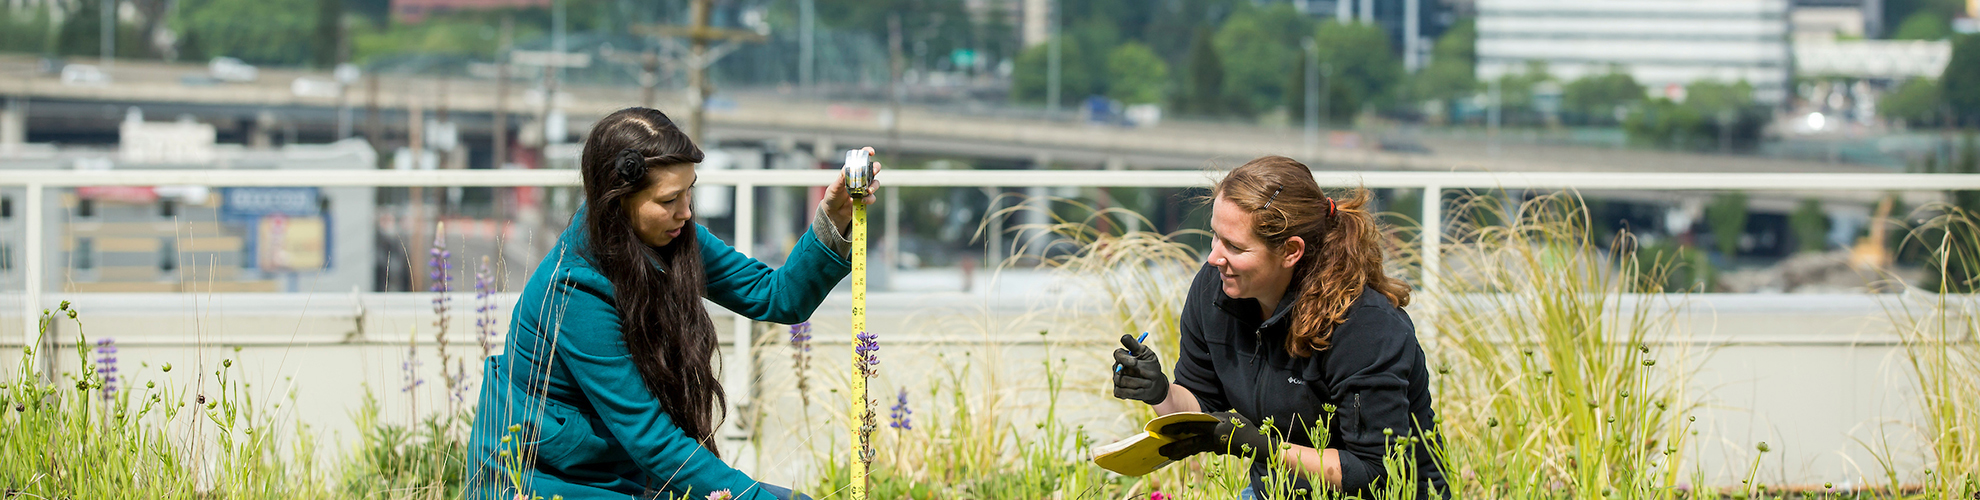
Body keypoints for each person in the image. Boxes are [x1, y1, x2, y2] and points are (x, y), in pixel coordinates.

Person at [466, 107, 878, 500]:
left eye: (689, 193)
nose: (685, 212)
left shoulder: (676, 237)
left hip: (617, 469)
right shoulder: (574, 292)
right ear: (618, 199)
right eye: (668, 201)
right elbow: (652, 440)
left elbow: (777, 297)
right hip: (538, 480)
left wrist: (833, 217)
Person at [1110, 156, 1446, 499]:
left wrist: (1262, 447)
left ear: (1290, 251)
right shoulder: (1215, 291)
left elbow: (1377, 472)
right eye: (1215, 236)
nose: (1214, 257)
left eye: (1235, 247)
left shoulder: (1365, 326)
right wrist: (1159, 391)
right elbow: (1202, 409)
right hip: (1277, 490)